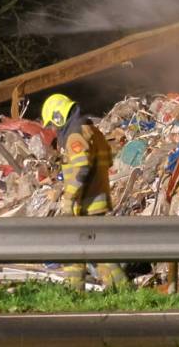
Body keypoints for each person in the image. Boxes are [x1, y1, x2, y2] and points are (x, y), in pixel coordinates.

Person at [41, 93, 129, 291]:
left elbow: (82, 167)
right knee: (100, 252)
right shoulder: (91, 129)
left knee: (73, 250)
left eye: (53, 124)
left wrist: (70, 197)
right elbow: (108, 159)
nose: (54, 129)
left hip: (84, 203)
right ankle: (122, 288)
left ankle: (75, 292)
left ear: (58, 116)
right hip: (98, 199)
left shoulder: (75, 135)